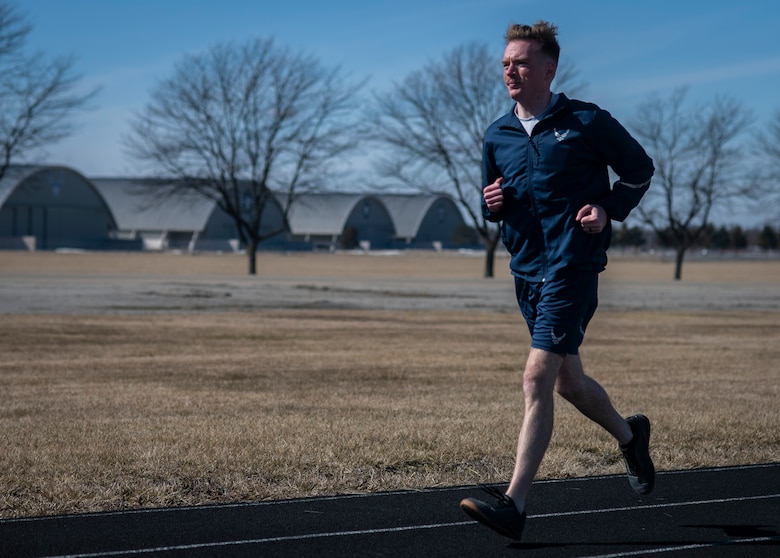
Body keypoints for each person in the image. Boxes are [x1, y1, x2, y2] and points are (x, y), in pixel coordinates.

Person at [459, 20, 656, 541]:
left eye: (520, 62)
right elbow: (493, 201)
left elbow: (639, 170)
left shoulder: (587, 121)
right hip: (525, 271)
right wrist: (491, 205)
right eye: (505, 63)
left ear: (549, 69)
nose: (510, 71)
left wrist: (608, 210)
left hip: (573, 267)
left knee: (535, 379)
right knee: (567, 381)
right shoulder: (496, 134)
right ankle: (629, 435)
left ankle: (514, 504)